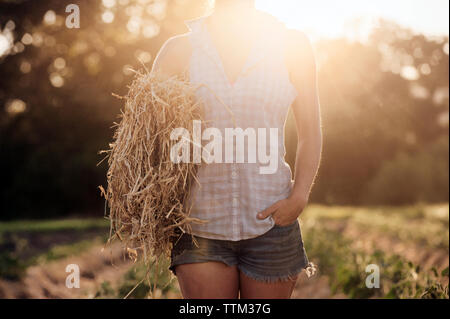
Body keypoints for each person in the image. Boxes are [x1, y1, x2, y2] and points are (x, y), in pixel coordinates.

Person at [151, 0, 322, 299]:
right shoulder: (179, 51)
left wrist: (300, 195)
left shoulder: (291, 46)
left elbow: (310, 131)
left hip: (272, 221)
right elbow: (150, 134)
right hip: (198, 223)